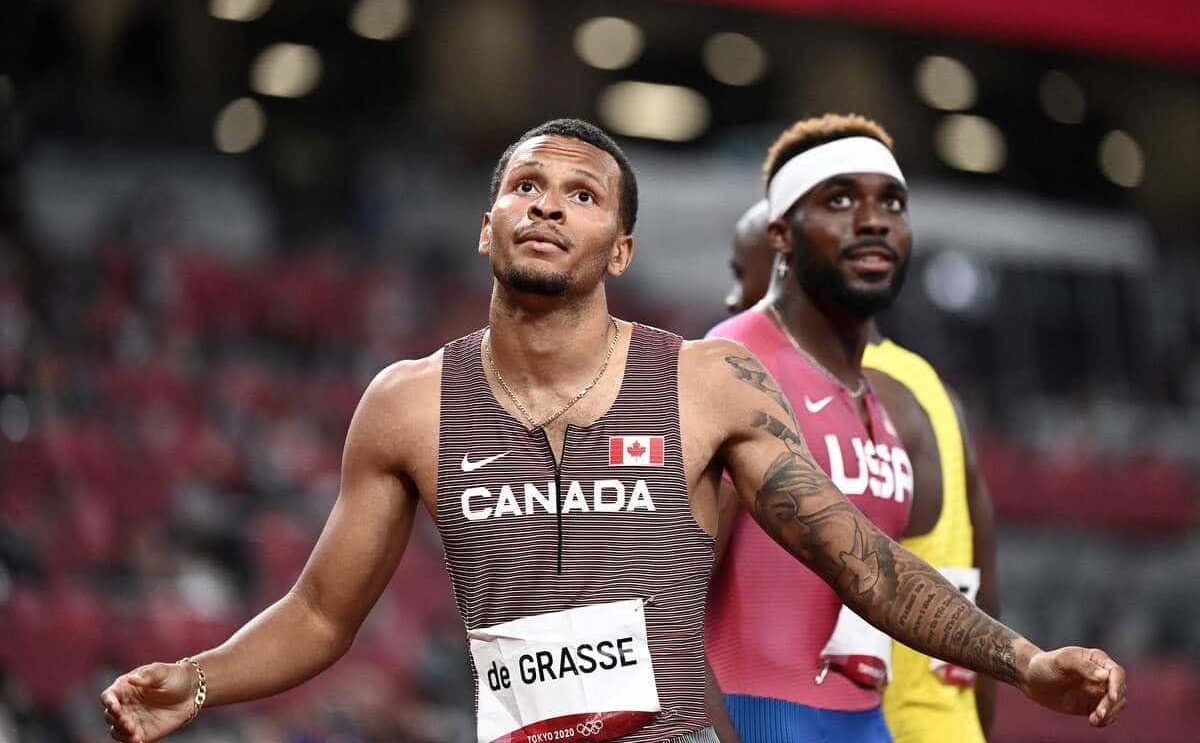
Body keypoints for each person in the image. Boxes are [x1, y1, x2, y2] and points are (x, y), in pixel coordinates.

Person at [101, 119, 1125, 743]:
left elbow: (858, 556)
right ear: (487, 223)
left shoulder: (703, 382)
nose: (547, 205)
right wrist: (197, 677)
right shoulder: (408, 402)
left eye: (581, 194)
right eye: (524, 186)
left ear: (621, 245)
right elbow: (322, 612)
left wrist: (1023, 660)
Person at [705, 114, 993, 742]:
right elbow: (660, 601)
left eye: (892, 202)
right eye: (840, 200)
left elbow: (925, 590)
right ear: (781, 232)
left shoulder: (891, 404)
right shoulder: (732, 365)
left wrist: (1027, 664)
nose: (874, 221)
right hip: (756, 718)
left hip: (865, 724)